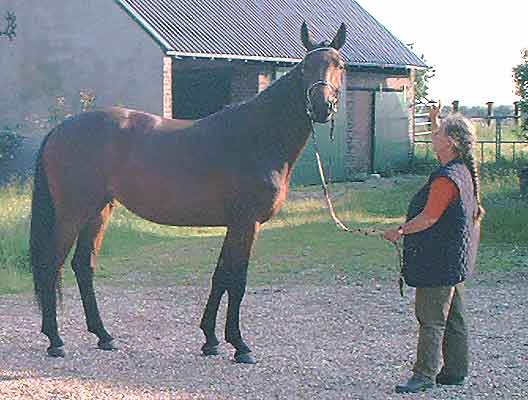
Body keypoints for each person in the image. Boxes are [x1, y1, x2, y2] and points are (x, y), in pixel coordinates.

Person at [383, 103, 485, 394]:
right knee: (453, 316)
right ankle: (455, 371)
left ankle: (424, 375)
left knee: (430, 318)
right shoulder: (461, 168)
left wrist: (399, 231)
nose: (433, 135)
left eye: (438, 132)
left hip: (440, 261)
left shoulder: (445, 179)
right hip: (455, 260)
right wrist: (434, 119)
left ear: (450, 142)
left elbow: (429, 217)